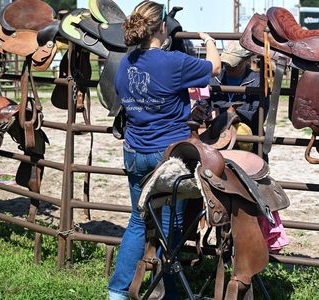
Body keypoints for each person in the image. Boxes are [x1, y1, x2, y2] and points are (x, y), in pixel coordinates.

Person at [107, 2, 220, 300]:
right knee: (171, 226)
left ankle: (117, 292)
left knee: (137, 220)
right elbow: (214, 68)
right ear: (162, 28)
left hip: (134, 151)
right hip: (166, 157)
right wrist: (209, 42)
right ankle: (169, 293)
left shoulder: (125, 64)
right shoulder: (174, 62)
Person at [194, 41, 266, 154]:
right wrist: (199, 110)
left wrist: (223, 113)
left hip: (245, 134)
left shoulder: (258, 81)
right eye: (225, 64)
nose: (228, 68)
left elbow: (257, 116)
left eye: (233, 65)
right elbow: (202, 103)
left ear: (245, 61)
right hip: (215, 133)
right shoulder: (212, 78)